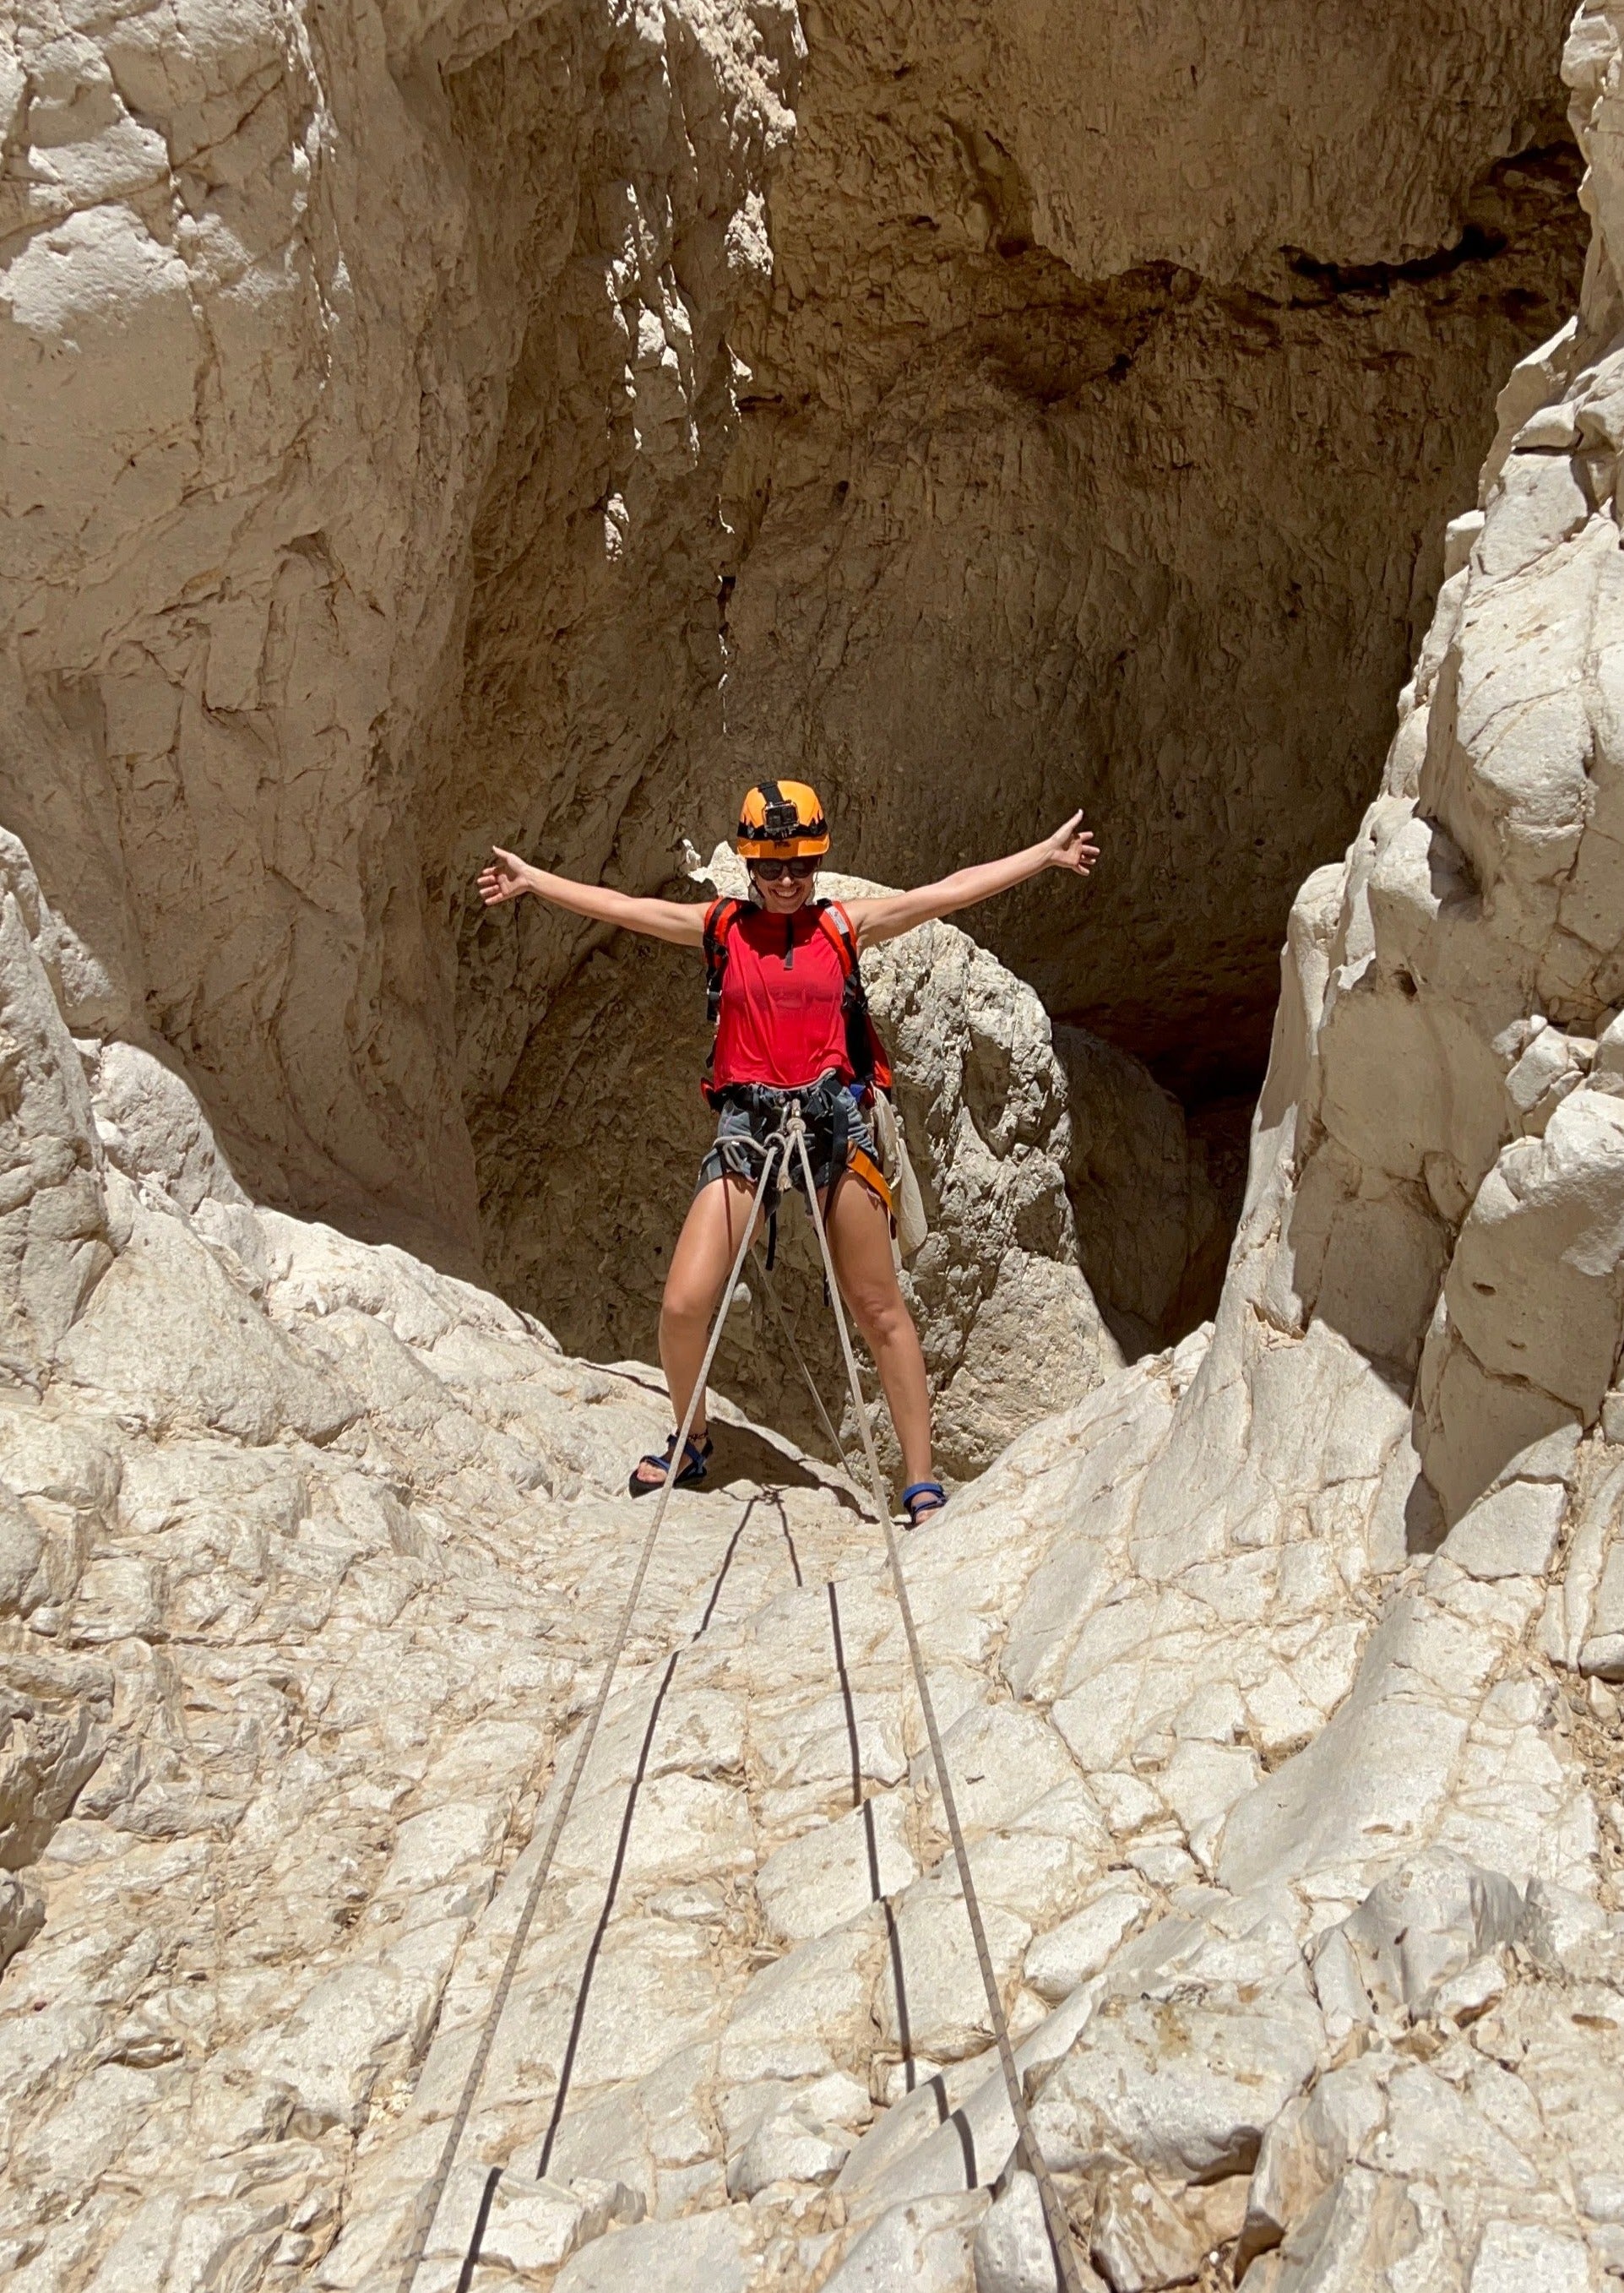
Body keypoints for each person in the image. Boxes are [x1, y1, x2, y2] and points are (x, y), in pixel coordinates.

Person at [478, 782, 1099, 1524]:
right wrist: (534, 880)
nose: (785, 880)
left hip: (835, 1120)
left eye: (799, 865)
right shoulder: (720, 928)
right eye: (772, 867)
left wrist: (1042, 856)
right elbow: (625, 910)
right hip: (748, 1122)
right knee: (683, 1303)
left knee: (877, 1306)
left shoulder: (842, 925)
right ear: (749, 865)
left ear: (815, 862)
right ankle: (694, 1436)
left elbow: (948, 892)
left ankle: (921, 1481)